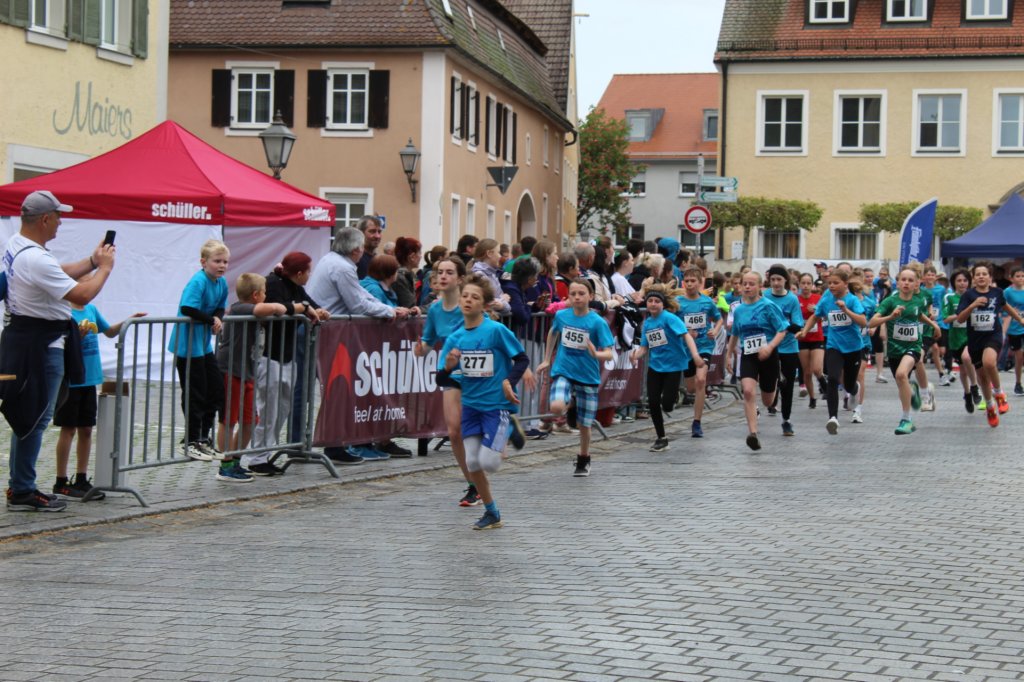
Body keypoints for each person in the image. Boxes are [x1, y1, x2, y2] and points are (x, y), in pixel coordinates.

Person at [2, 191, 116, 512]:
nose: (61, 222)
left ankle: (20, 485)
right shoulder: (36, 258)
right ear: (45, 219)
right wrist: (104, 269)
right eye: (58, 216)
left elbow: (58, 272)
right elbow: (82, 294)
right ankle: (22, 489)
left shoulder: (18, 245)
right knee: (35, 419)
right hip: (41, 346)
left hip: (27, 341)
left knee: (26, 417)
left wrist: (92, 261)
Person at [436, 273, 535, 530]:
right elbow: (441, 378)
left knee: (489, 462)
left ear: (485, 304)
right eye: (465, 296)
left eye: (475, 297)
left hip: (495, 406)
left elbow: (522, 359)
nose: (468, 300)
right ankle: (492, 512)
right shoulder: (455, 338)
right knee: (472, 463)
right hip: (471, 407)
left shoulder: (496, 331)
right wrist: (448, 367)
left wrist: (508, 381)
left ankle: (509, 425)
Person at [307, 227, 412, 464]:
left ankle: (335, 443)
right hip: (331, 334)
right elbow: (358, 304)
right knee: (337, 390)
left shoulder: (331, 260)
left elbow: (362, 297)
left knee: (336, 390)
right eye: (362, 246)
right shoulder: (343, 267)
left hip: (329, 332)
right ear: (356, 249)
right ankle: (334, 446)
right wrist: (390, 311)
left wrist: (388, 309)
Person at [53, 300, 145, 500]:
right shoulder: (63, 310)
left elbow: (109, 331)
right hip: (71, 379)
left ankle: (81, 478)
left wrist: (128, 321)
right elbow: (58, 343)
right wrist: (77, 336)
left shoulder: (91, 309)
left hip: (90, 377)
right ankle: (60, 481)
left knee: (86, 429)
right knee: (68, 429)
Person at [248, 252, 329, 476]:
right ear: (299, 273)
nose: (310, 275)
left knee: (282, 408)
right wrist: (303, 308)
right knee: (268, 410)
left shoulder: (296, 287)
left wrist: (317, 310)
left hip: (286, 356)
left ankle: (265, 453)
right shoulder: (273, 284)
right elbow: (282, 307)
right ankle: (257, 457)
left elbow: (308, 303)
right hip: (269, 356)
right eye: (308, 271)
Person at [415, 255, 478, 506]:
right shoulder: (435, 310)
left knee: (475, 428)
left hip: (477, 373)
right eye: (440, 272)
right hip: (450, 373)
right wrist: (420, 349)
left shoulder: (469, 304)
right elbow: (428, 343)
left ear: (460, 278)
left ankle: (482, 469)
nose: (443, 276)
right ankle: (473, 485)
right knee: (454, 431)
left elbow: (486, 332)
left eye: (449, 272)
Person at [536, 278, 615, 476]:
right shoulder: (562, 316)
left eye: (581, 293)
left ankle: (584, 458)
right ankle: (568, 402)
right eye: (573, 294)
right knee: (556, 407)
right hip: (563, 370)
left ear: (591, 296)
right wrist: (546, 359)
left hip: (587, 376)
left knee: (584, 425)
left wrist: (596, 354)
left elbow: (609, 353)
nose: (577, 297)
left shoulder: (597, 322)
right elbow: (553, 333)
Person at [215, 273, 288, 482]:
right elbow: (264, 310)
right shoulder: (240, 308)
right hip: (231, 370)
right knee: (229, 420)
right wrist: (279, 306)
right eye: (264, 292)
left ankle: (235, 460)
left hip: (247, 372)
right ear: (256, 295)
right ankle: (225, 465)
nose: (266, 296)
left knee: (250, 421)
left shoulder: (253, 310)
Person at [169, 239, 230, 462]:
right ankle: (190, 440)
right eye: (217, 261)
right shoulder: (198, 281)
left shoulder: (221, 283)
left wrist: (217, 319)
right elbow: (187, 307)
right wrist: (210, 320)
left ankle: (203, 438)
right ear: (204, 262)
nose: (222, 265)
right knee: (195, 393)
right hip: (187, 345)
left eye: (225, 262)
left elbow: (220, 307)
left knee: (215, 390)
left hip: (203, 345)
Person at [630, 285, 702, 452]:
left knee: (667, 405)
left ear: (663, 304)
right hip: (655, 366)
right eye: (650, 301)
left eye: (657, 301)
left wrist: (695, 355)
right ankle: (661, 438)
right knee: (653, 402)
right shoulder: (647, 323)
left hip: (674, 365)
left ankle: (673, 395)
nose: (653, 304)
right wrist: (635, 356)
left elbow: (686, 336)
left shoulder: (670, 318)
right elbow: (644, 347)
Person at [870, 267, 941, 435]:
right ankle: (912, 392)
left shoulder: (918, 300)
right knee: (902, 382)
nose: (906, 283)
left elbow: (919, 314)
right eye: (903, 279)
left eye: (910, 280)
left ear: (917, 284)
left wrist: (934, 325)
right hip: (894, 350)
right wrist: (890, 317)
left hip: (913, 346)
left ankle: (906, 420)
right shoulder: (890, 301)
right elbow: (872, 322)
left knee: (901, 374)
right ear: (898, 282)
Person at [798, 269, 867, 435]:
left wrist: (846, 310)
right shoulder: (827, 299)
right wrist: (805, 331)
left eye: (836, 283)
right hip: (834, 345)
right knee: (833, 378)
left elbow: (863, 322)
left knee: (849, 384)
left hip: (853, 347)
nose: (832, 286)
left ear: (845, 283)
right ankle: (833, 418)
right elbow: (815, 316)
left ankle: (854, 389)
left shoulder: (852, 300)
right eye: (830, 283)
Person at [956, 261, 1024, 428]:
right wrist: (972, 305)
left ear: (990, 277)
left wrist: (1020, 320)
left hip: (993, 335)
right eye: (978, 274)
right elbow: (960, 319)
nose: (981, 277)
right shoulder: (968, 295)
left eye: (984, 274)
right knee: (982, 377)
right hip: (975, 340)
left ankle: (999, 394)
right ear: (973, 278)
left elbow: (1007, 308)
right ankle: (990, 406)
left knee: (989, 363)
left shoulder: (997, 292)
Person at [726, 271, 788, 451]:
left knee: (768, 402)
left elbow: (782, 330)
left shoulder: (768, 306)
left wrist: (770, 347)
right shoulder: (739, 310)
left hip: (768, 355)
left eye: (751, 284)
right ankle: (752, 434)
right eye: (744, 283)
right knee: (747, 391)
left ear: (760, 286)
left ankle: (776, 382)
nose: (747, 287)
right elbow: (735, 333)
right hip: (749, 355)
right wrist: (728, 355)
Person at [676, 266, 723, 438]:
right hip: (686, 348)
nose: (689, 284)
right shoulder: (678, 303)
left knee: (701, 380)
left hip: (704, 346)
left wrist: (714, 331)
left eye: (693, 281)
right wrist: (684, 332)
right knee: (691, 388)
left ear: (700, 283)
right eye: (687, 281)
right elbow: (672, 324)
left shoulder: (707, 302)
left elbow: (719, 319)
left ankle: (697, 422)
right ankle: (700, 396)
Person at [764, 264, 804, 436]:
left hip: (788, 347)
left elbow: (798, 325)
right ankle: (769, 400)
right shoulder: (764, 296)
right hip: (769, 346)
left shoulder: (792, 299)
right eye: (772, 279)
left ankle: (786, 420)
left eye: (779, 279)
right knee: (768, 381)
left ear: (785, 280)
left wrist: (782, 325)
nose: (775, 283)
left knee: (787, 386)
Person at [941, 268, 981, 414]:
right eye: (959, 281)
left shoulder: (975, 297)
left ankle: (974, 387)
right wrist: (961, 314)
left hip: (972, 336)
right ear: (954, 283)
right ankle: (967, 394)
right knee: (963, 370)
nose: (962, 283)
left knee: (967, 358)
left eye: (965, 280)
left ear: (969, 282)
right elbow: (945, 319)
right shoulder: (949, 297)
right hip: (956, 337)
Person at [797, 272, 826, 408]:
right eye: (803, 283)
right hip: (802, 338)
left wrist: (816, 310)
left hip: (817, 338)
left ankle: (824, 385)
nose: (806, 286)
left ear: (812, 285)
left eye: (808, 283)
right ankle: (812, 397)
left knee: (817, 369)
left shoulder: (818, 298)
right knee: (807, 372)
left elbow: (825, 316)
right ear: (799, 284)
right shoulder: (796, 300)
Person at [469, 238, 511, 314]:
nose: (500, 256)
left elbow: (505, 306)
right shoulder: (479, 275)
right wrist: (503, 300)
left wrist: (502, 303)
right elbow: (487, 303)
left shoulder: (493, 274)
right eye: (498, 252)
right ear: (489, 253)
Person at [1003, 266, 1024, 396]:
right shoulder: (1007, 292)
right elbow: (1002, 308)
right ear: (1011, 278)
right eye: (1018, 276)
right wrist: (1011, 312)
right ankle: (1018, 383)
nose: (1021, 278)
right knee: (1019, 357)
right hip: (1014, 328)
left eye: (1022, 276)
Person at [392, 237, 423, 311]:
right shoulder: (400, 278)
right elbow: (410, 308)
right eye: (419, 253)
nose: (421, 256)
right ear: (412, 257)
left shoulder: (407, 275)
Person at [355, 215, 384, 279]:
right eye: (372, 231)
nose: (377, 236)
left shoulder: (377, 259)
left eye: (379, 232)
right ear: (360, 233)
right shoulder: (355, 258)